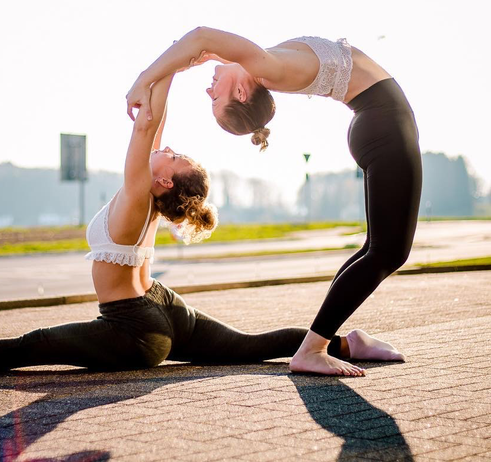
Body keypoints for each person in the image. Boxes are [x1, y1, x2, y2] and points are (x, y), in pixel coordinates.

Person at [0, 74, 403, 376]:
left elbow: (150, 126)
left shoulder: (135, 196)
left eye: (170, 158)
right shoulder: (146, 197)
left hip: (134, 328)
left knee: (33, 345)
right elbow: (157, 125)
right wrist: (165, 75)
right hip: (164, 307)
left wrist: (169, 63)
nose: (165, 151)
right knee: (250, 346)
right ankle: (347, 342)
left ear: (163, 184)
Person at [126, 27, 422, 376]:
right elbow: (203, 36)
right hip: (385, 122)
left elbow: (200, 47)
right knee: (388, 253)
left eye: (211, 97)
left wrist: (175, 64)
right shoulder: (267, 66)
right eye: (213, 98)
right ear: (241, 90)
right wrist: (144, 80)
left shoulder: (261, 63)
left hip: (379, 120)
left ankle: (332, 339)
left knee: (377, 248)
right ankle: (313, 349)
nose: (208, 89)